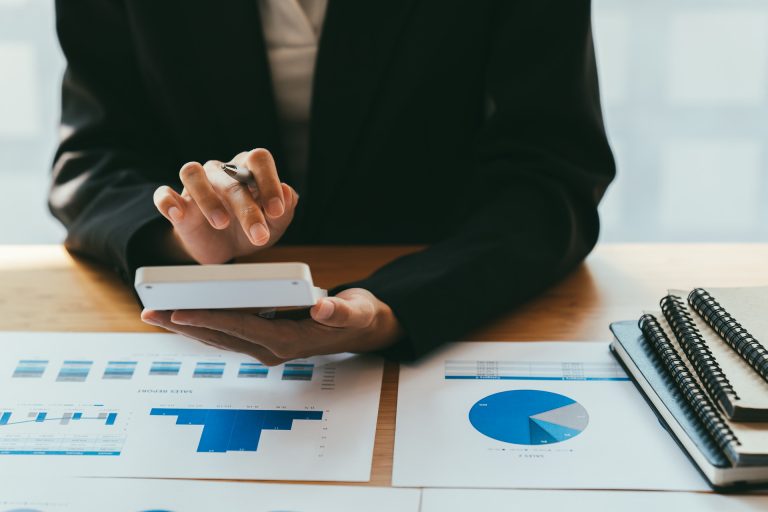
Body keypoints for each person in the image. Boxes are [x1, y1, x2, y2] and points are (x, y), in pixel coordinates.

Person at [50, 0, 615, 365]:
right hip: (191, 333)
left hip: (448, 287)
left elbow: (552, 171)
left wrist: (394, 306)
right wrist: (182, 237)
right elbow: (92, 158)